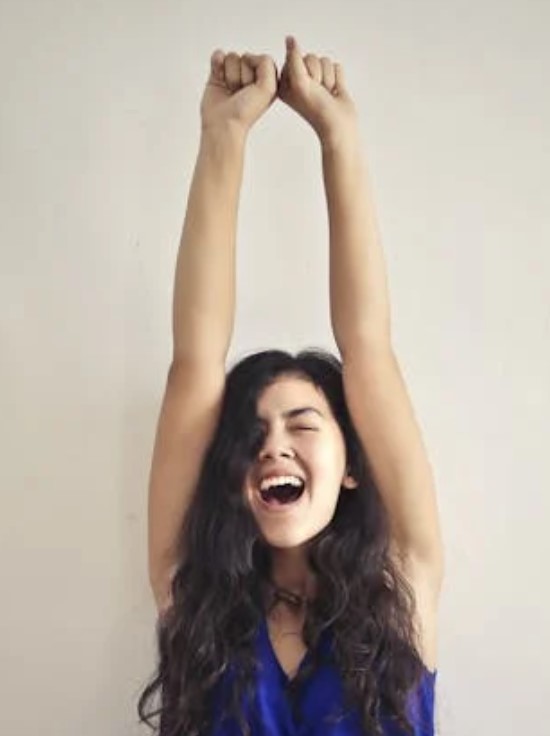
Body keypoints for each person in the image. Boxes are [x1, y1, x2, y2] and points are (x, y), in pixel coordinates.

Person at [137, 36, 445, 736]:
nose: (272, 445)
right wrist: (223, 136)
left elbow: (368, 348)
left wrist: (339, 137)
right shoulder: (194, 600)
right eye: (251, 433)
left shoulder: (403, 589)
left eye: (302, 423)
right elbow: (195, 360)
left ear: (353, 465)